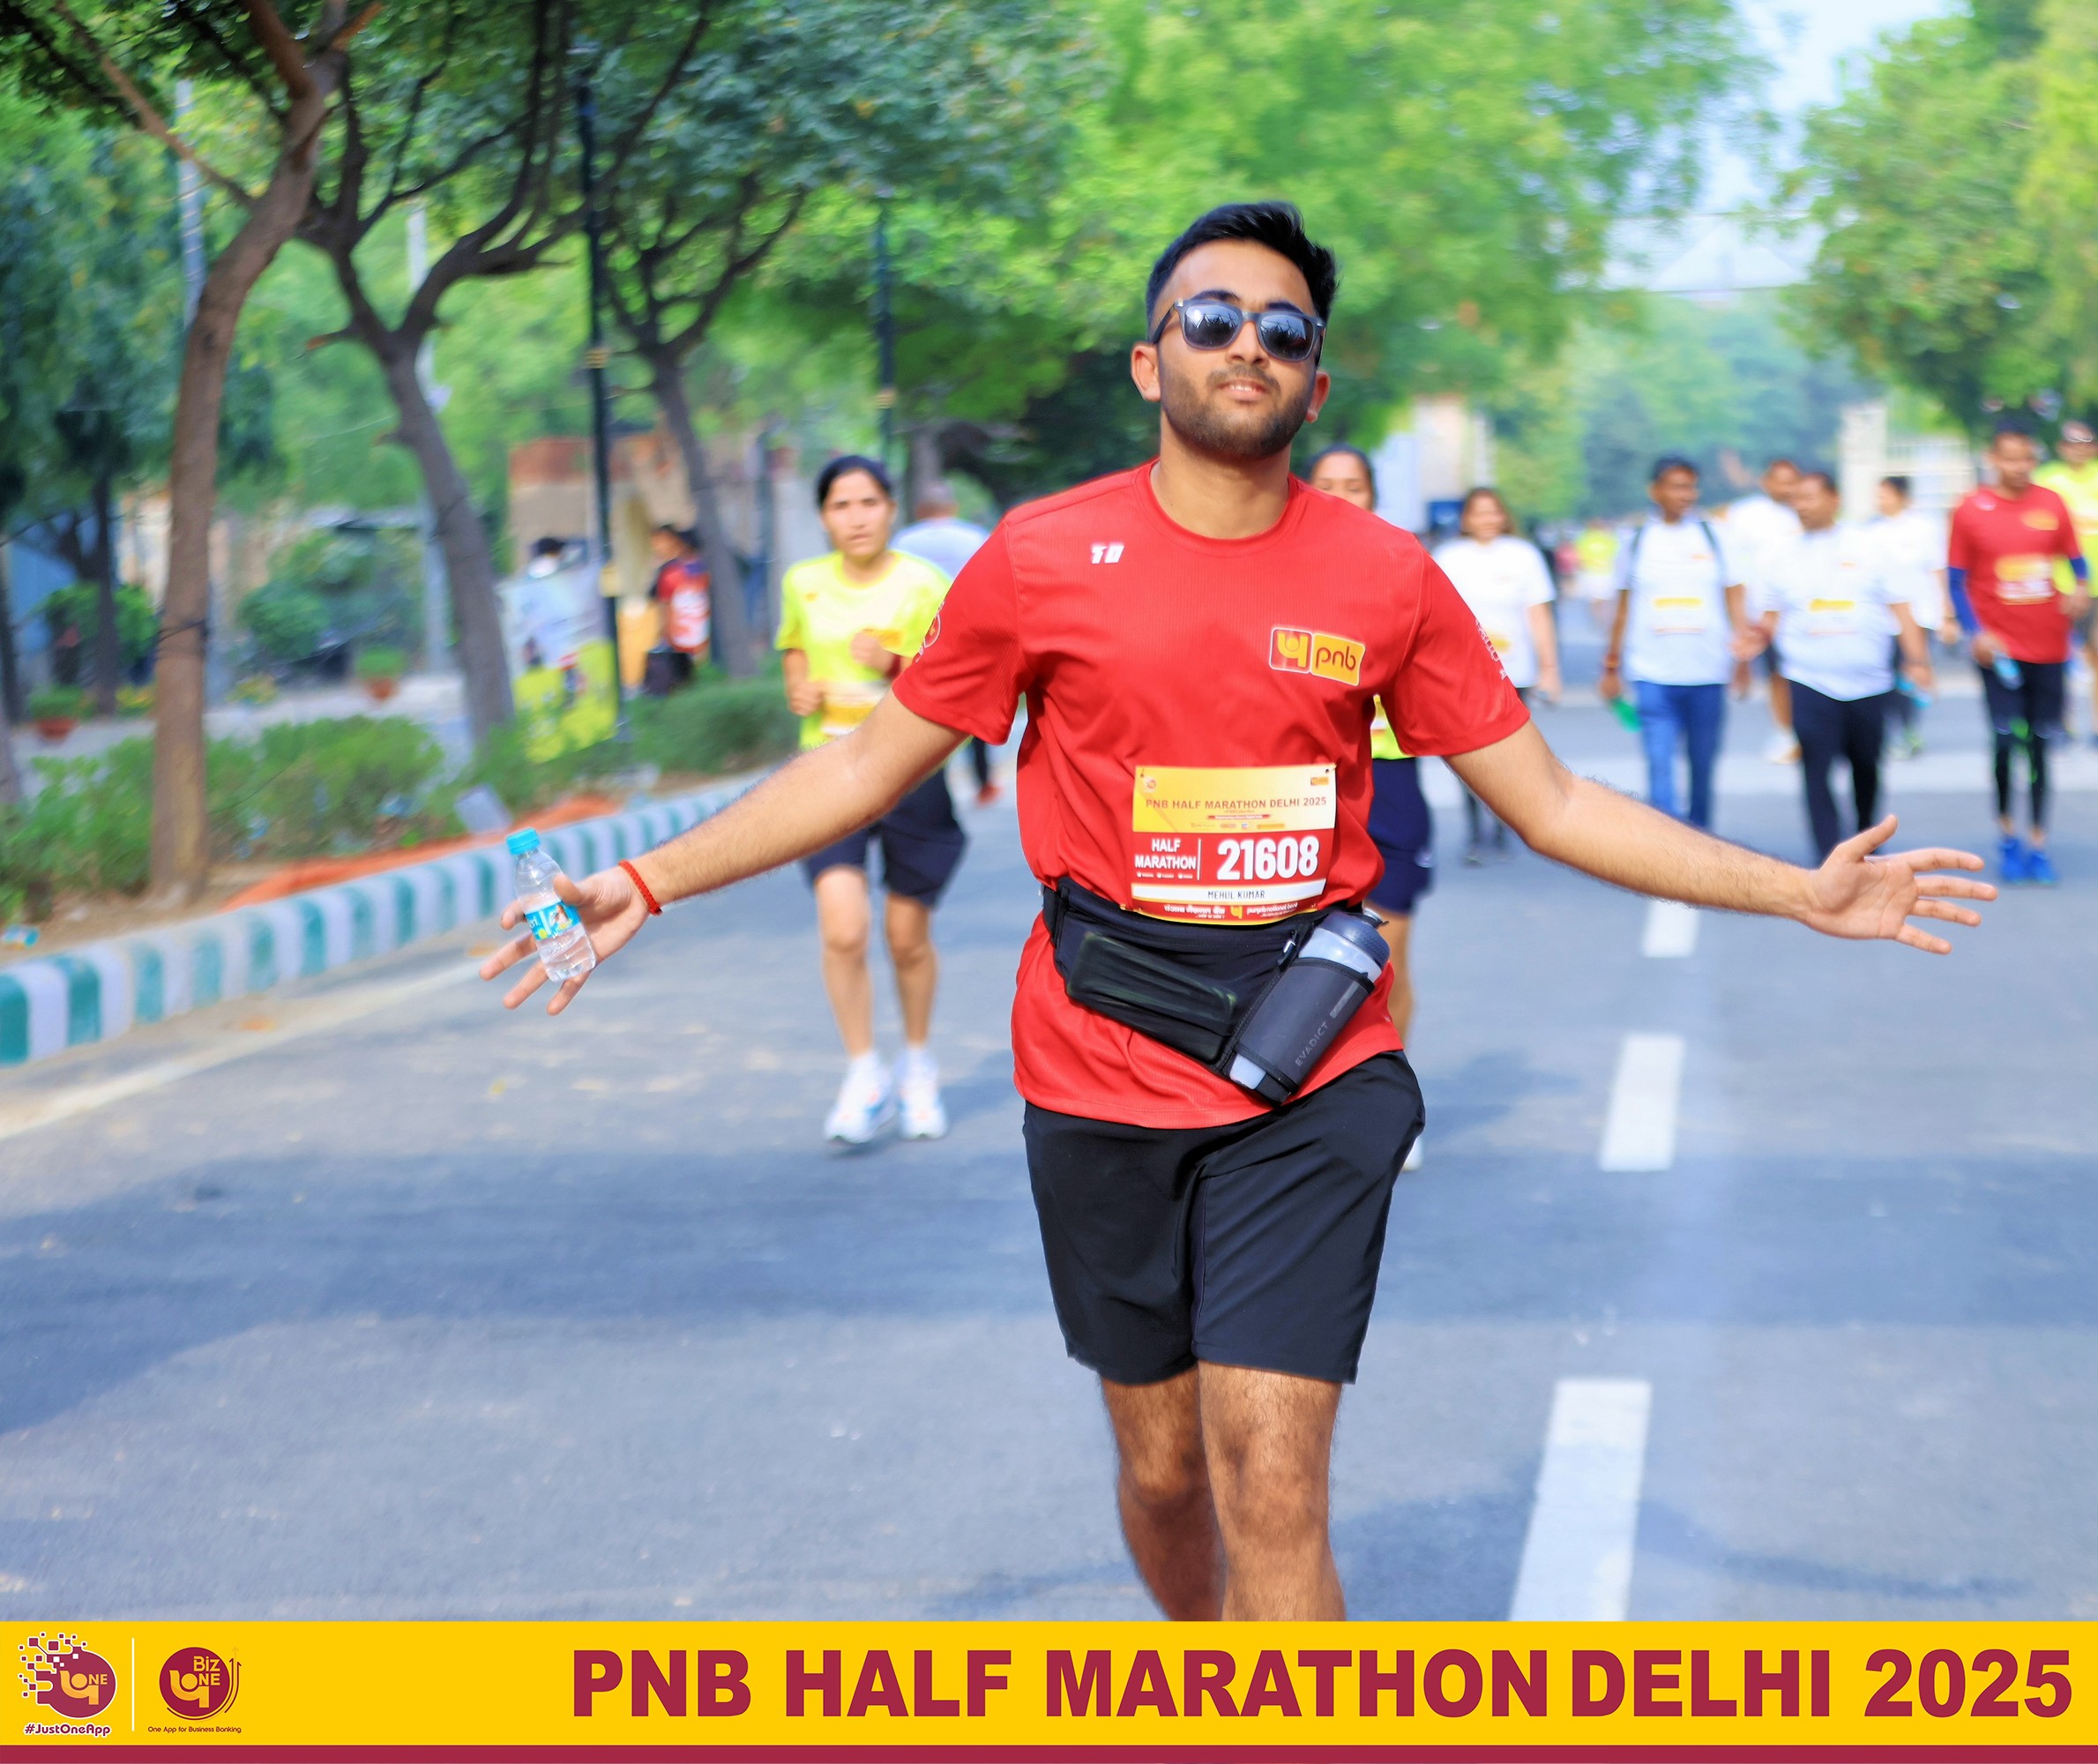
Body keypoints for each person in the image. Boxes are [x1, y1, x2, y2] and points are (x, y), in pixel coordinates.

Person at [483, 201, 1995, 1622]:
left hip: (1310, 1067)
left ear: (1316, 384)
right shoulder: (1039, 560)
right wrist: (646, 881)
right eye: (1211, 319)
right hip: (1097, 1065)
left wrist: (1798, 891)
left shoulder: (1385, 577)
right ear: (1152, 363)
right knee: (1165, 1477)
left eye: (1283, 329)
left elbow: (1553, 802)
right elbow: (867, 765)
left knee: (1270, 1478)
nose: (1247, 344)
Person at [777, 454, 965, 1146]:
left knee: (906, 939)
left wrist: (891, 663)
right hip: (829, 770)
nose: (855, 518)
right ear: (824, 517)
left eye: (868, 503)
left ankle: (917, 1065)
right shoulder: (803, 583)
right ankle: (864, 1074)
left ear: (890, 510)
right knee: (843, 930)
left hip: (910, 772)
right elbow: (795, 649)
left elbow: (956, 675)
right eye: (840, 505)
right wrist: (798, 686)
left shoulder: (924, 584)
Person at [1307, 441, 1429, 1173]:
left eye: (1353, 485)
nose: (1340, 495)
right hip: (1304, 782)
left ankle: (1391, 1107)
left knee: (1389, 956)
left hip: (1390, 778)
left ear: (1373, 496)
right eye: (1326, 483)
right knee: (1302, 962)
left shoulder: (1402, 570)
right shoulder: (1274, 569)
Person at [1756, 470, 1933, 859]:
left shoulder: (1869, 547)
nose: (1801, 505)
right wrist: (1750, 642)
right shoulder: (1780, 555)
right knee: (1815, 769)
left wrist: (1918, 661)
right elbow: (1769, 619)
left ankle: (1867, 841)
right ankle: (1828, 855)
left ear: (1834, 499)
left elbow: (1902, 609)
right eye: (1796, 499)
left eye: (1809, 496)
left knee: (1866, 767)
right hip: (1808, 680)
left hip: (1869, 682)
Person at [1948, 425, 2088, 884]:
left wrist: (2081, 590)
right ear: (1993, 458)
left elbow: (2078, 563)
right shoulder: (1971, 510)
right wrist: (1975, 632)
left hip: (2049, 645)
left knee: (2043, 745)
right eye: (2010, 458)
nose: (2019, 467)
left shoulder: (2052, 504)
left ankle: (2039, 841)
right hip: (2000, 650)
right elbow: (1955, 580)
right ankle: (2008, 835)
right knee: (2006, 740)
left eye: (2027, 458)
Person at [1605, 456, 1750, 829]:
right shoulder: (1636, 541)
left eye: (1691, 487)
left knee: (1703, 766)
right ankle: (1667, 846)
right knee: (1659, 766)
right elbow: (1622, 607)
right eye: (1676, 486)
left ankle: (1701, 840)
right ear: (1655, 491)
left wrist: (1743, 657)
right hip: (1652, 673)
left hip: (1707, 672)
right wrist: (1611, 666)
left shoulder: (1715, 537)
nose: (1686, 495)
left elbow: (1735, 598)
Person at [1434, 486, 1559, 861]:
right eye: (1478, 512)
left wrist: (1549, 668)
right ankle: (1475, 831)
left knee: (1509, 753)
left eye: (1493, 512)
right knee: (1467, 752)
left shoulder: (1523, 556)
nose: (1487, 519)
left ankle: (1504, 824)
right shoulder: (1448, 557)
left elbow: (1538, 615)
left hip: (1514, 673)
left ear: (1503, 516)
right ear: (1465, 519)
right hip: (1463, 673)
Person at [893, 488, 1004, 804]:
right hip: (969, 636)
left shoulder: (903, 542)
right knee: (974, 710)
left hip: (918, 638)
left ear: (920, 510)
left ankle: (921, 783)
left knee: (920, 706)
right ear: (953, 506)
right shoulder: (974, 537)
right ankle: (984, 783)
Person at [2034, 421, 2098, 749]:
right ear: (2060, 447)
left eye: (2086, 441)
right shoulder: (2046, 480)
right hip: (2057, 583)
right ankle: (2061, 723)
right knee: (2056, 657)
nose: (2079, 448)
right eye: (2072, 442)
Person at [1725, 459, 1804, 760]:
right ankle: (1785, 732)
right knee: (1778, 674)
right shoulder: (1745, 516)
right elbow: (1735, 569)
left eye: (1792, 481)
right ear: (1766, 482)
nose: (1787, 488)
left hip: (1804, 612)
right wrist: (1741, 617)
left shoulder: (1806, 511)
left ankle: (1808, 731)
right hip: (1763, 611)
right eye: (1781, 481)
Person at [1870, 473, 1951, 755]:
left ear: (1901, 496)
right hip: (1883, 619)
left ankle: (1908, 730)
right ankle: (1893, 729)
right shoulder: (1871, 532)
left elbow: (1938, 571)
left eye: (1885, 495)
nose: (1880, 501)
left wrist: (1947, 613)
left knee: (1913, 671)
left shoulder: (1923, 529)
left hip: (1919, 615)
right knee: (1888, 677)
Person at [645, 523, 712, 696]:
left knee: (680, 682)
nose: (656, 547)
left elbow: (662, 605)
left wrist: (663, 632)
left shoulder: (671, 573)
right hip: (698, 639)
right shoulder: (706, 570)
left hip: (679, 638)